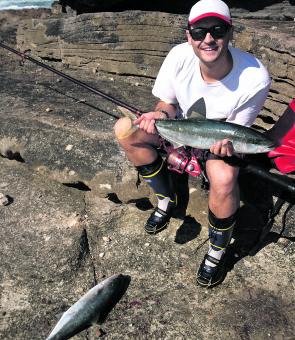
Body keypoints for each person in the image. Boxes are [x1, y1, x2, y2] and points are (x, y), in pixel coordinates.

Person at [114, 0, 271, 288]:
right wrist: (159, 116)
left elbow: (235, 130)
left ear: (230, 32)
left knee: (224, 178)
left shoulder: (255, 77)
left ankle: (217, 250)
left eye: (217, 30)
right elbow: (167, 104)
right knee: (125, 129)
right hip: (180, 128)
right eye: (199, 32)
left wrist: (226, 149)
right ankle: (166, 201)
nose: (208, 39)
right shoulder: (178, 56)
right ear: (189, 35)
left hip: (217, 141)